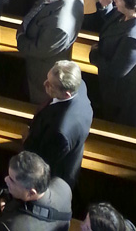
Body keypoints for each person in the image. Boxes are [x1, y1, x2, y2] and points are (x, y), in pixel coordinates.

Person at [16, 0, 84, 105]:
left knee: (40, 101)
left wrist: (20, 37)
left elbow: (40, 50)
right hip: (39, 48)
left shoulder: (60, 26)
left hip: (42, 68)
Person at [23, 60, 93, 190]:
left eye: (50, 85)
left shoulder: (60, 131)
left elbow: (43, 160)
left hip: (55, 172)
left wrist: (27, 140)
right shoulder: (80, 85)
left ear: (66, 94)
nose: (44, 84)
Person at [0, 151, 72, 231]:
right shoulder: (63, 186)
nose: (6, 179)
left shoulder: (10, 226)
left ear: (31, 192)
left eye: (12, 180)